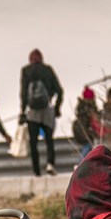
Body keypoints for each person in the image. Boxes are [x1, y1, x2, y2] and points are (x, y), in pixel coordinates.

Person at [19, 48, 64, 176]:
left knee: (33, 142)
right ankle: (50, 164)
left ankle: (36, 171)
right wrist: (57, 108)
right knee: (49, 139)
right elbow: (60, 90)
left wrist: (22, 111)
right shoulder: (47, 69)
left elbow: (23, 93)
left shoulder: (26, 71)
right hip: (47, 110)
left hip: (32, 112)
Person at [72, 87, 100, 159]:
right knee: (89, 145)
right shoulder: (87, 108)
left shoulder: (85, 107)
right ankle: (82, 161)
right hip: (84, 134)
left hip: (85, 133)